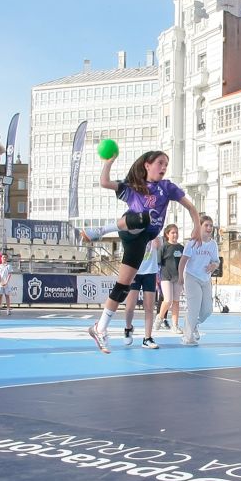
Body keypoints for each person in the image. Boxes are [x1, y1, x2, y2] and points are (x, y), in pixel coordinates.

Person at [83, 150, 202, 353]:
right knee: (144, 217)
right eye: (160, 163)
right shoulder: (133, 188)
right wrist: (108, 162)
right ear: (147, 165)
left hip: (142, 240)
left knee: (122, 287)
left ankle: (99, 328)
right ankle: (101, 231)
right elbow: (104, 182)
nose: (164, 167)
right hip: (130, 229)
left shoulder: (167, 188)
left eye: (166, 164)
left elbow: (191, 207)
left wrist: (197, 226)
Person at [178, 214, 220, 346]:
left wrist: (214, 265)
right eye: (206, 225)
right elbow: (182, 261)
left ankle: (194, 324)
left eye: (211, 226)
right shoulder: (192, 243)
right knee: (193, 308)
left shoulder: (213, 244)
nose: (209, 228)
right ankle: (188, 337)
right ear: (200, 226)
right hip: (191, 277)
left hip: (205, 279)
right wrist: (180, 277)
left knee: (207, 310)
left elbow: (216, 261)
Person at [122, 236, 161, 347]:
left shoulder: (154, 232)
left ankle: (147, 338)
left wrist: (155, 239)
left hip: (150, 272)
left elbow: (158, 245)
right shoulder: (133, 232)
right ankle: (128, 328)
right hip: (134, 271)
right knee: (129, 307)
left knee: (149, 307)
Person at [155, 224, 184, 333]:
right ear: (167, 234)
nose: (175, 234)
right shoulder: (164, 247)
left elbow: (184, 263)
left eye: (176, 232)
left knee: (176, 301)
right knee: (168, 300)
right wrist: (157, 278)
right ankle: (160, 318)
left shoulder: (181, 248)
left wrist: (182, 277)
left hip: (178, 278)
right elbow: (158, 263)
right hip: (166, 277)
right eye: (172, 232)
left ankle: (175, 325)